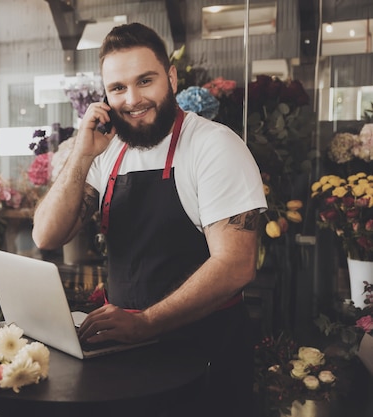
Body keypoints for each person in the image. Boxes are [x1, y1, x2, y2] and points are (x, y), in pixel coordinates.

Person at [32, 22, 267, 416]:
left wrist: (146, 324)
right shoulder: (107, 152)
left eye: (145, 81)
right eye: (118, 88)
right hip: (127, 353)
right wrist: (82, 154)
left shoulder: (213, 146)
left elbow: (236, 265)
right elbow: (46, 235)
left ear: (171, 77)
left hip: (204, 355)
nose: (132, 99)